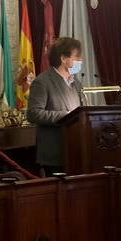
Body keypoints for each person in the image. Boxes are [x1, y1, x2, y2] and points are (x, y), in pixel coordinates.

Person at [27, 36, 87, 174]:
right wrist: (66, 117)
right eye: (77, 57)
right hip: (54, 153)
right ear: (63, 59)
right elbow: (33, 113)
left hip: (76, 151)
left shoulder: (76, 83)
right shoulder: (42, 82)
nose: (80, 61)